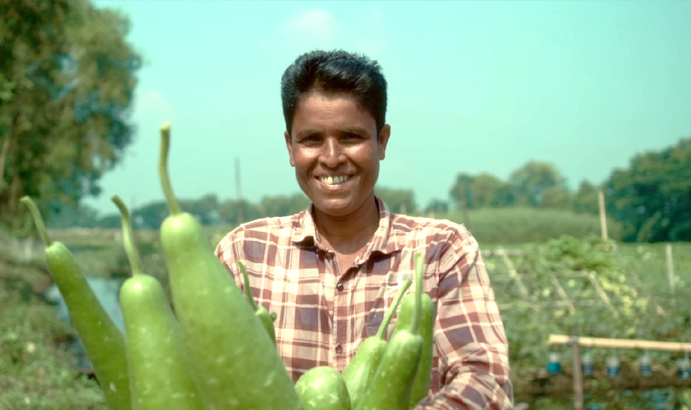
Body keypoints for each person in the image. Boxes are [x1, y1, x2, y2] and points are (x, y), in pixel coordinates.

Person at [215, 49, 513, 409]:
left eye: (351, 136)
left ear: (382, 141)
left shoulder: (441, 250)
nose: (332, 157)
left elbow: (485, 383)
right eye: (311, 139)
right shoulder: (243, 253)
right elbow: (209, 379)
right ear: (290, 148)